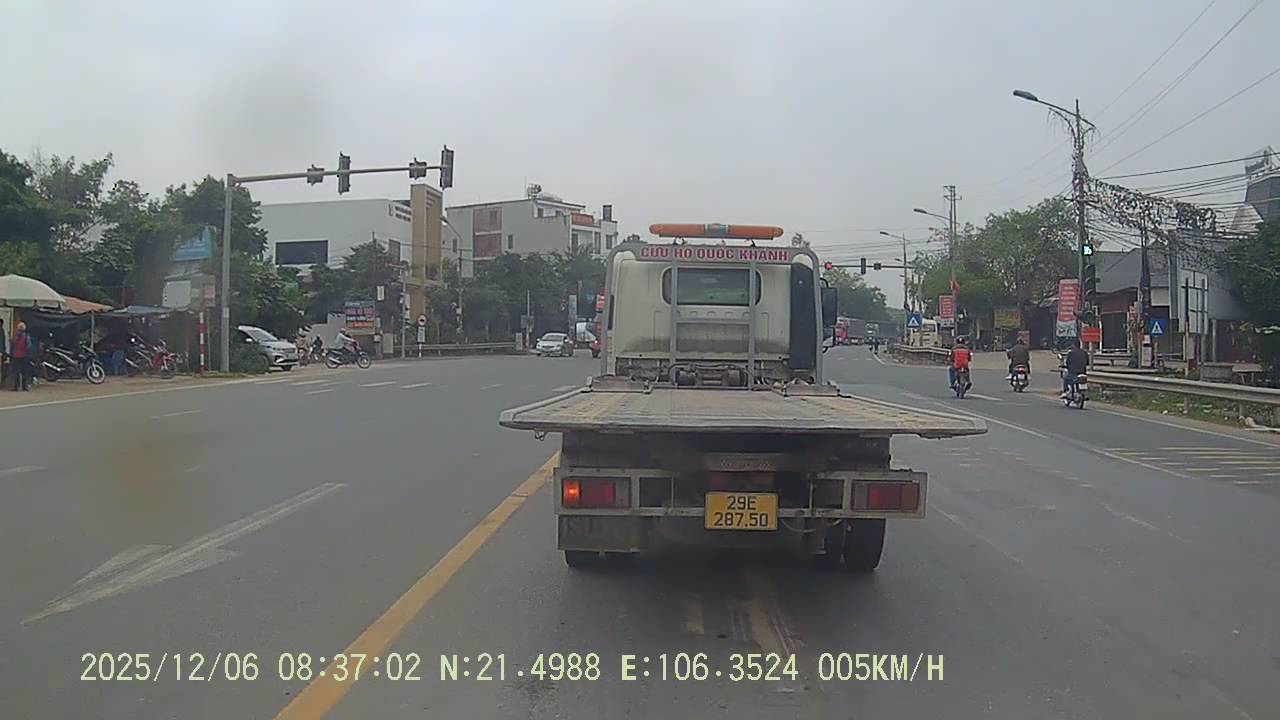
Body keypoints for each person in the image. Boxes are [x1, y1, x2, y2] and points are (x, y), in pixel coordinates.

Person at [10, 321, 35, 391]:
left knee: (16, 372)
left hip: (16, 356)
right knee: (24, 372)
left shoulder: (15, 336)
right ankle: (24, 386)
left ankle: (16, 386)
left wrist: (11, 354)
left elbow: (12, 345)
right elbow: (29, 346)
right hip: (24, 356)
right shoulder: (26, 336)